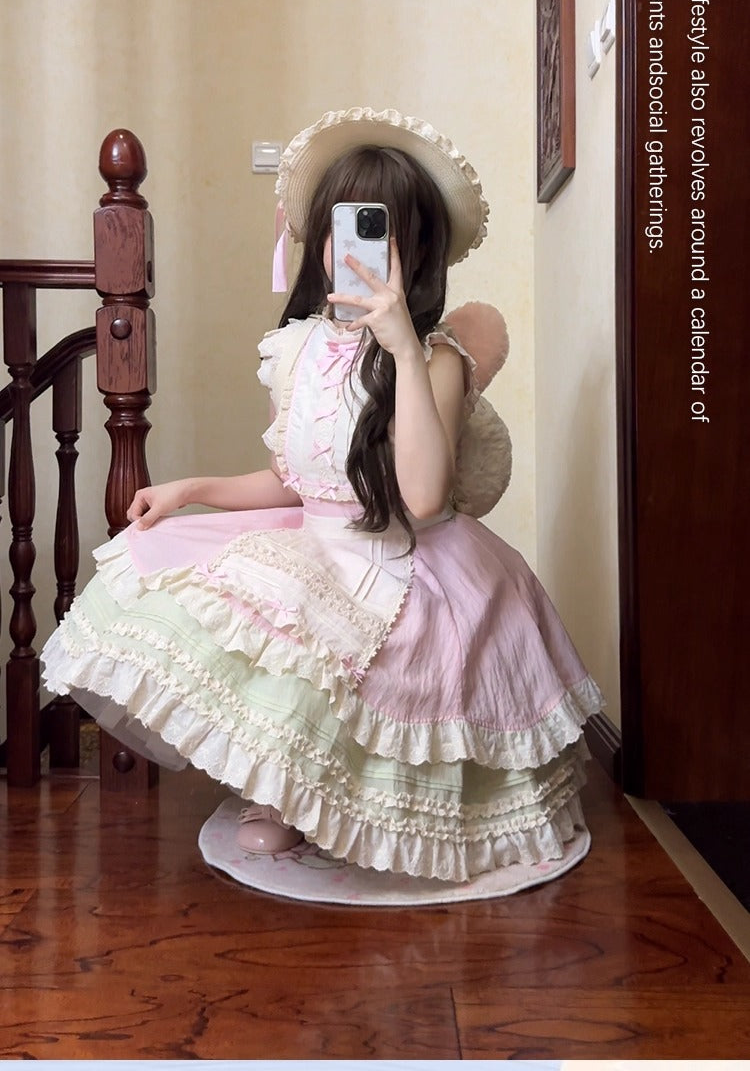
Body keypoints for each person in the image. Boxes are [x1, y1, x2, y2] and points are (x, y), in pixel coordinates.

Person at [41, 106, 603, 886]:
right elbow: (296, 477)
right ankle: (288, 792)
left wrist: (402, 347)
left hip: (410, 557)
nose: (355, 248)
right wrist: (189, 490)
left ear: (417, 250)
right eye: (345, 225)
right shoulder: (297, 348)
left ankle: (366, 805)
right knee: (239, 598)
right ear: (321, 240)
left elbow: (422, 496)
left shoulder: (437, 360)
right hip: (321, 540)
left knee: (376, 647)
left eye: (380, 229)